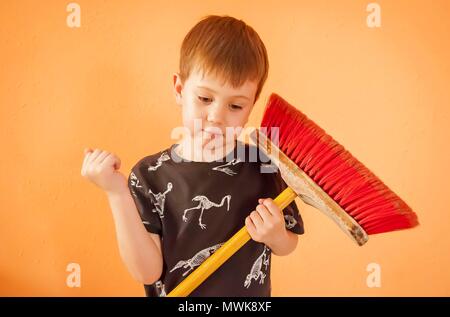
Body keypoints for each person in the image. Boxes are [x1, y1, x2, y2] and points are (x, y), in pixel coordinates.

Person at [81, 15, 304, 297]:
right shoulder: (150, 175)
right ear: (179, 89)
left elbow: (288, 243)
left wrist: (277, 236)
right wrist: (116, 193)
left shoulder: (264, 164)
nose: (216, 117)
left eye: (235, 105)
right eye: (205, 99)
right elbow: (146, 272)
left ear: (251, 107)